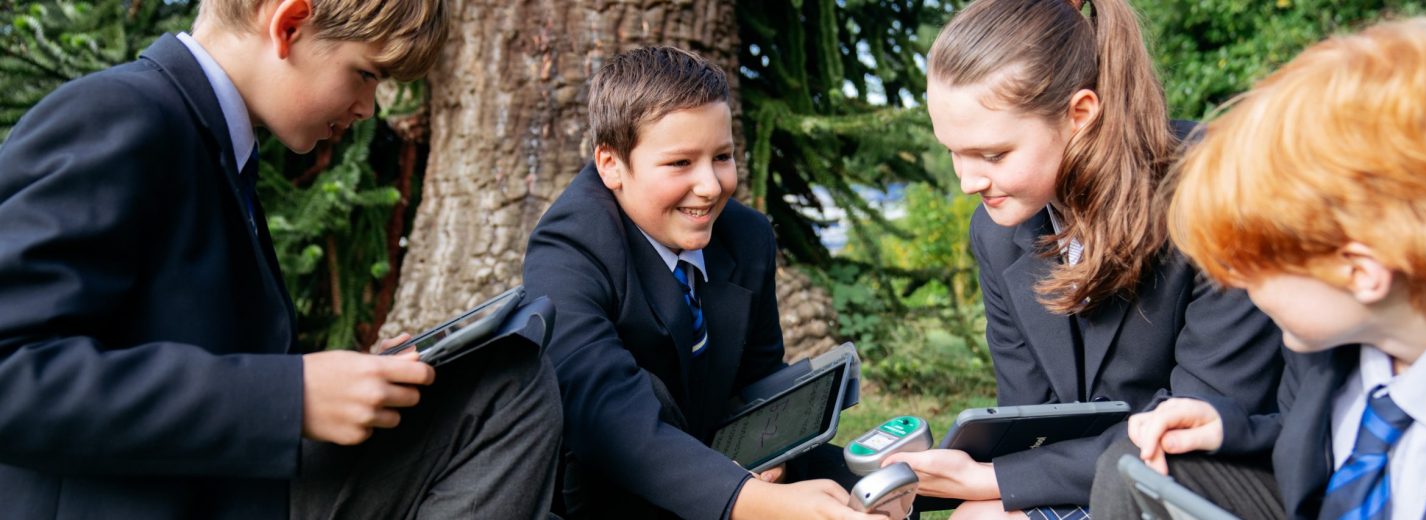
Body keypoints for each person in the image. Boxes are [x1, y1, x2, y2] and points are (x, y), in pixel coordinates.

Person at [0, 0, 561, 517]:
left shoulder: (213, 145)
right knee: (507, 389)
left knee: (505, 375)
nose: (368, 108)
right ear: (289, 25)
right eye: (366, 74)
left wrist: (347, 379)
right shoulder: (121, 113)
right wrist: (289, 396)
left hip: (223, 485)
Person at [1107, 17, 1426, 520]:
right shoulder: (1335, 341)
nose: (1232, 282)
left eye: (1252, 265)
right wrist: (1233, 429)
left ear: (1362, 273)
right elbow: (1325, 439)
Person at [879, 0, 1285, 517]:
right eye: (953, 151)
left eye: (994, 154)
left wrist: (994, 480)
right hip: (1102, 472)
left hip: (1220, 479)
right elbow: (1032, 418)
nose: (968, 182)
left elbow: (1202, 416)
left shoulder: (1217, 191)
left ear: (1080, 115)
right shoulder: (997, 231)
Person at [522, 46, 884, 520]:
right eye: (680, 164)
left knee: (875, 491)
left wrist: (774, 454)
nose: (711, 186)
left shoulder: (746, 236)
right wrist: (750, 500)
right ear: (611, 165)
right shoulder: (568, 249)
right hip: (608, 488)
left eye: (723, 157)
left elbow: (758, 380)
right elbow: (606, 415)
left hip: (728, 459)